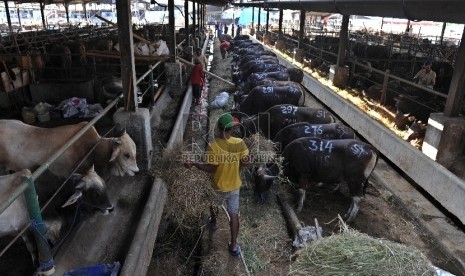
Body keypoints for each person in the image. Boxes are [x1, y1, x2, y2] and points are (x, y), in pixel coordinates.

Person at [185, 113, 250, 257]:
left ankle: (214, 223)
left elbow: (211, 168)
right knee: (234, 215)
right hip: (234, 186)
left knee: (214, 205)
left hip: (218, 186)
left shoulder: (213, 146)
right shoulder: (240, 142)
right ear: (231, 129)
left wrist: (195, 164)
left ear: (220, 130)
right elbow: (246, 162)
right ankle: (233, 245)